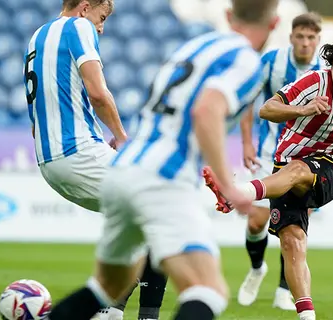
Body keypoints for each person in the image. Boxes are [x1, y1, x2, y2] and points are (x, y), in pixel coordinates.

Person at [46, 0, 280, 319]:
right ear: (274, 24)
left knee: (106, 286)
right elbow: (206, 111)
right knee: (207, 289)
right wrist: (231, 186)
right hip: (163, 178)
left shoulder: (193, 47)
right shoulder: (246, 60)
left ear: (228, 15)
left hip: (123, 168)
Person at [204, 37, 333, 320]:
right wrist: (302, 110)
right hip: (286, 164)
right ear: (331, 69)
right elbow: (266, 109)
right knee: (292, 242)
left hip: (330, 169)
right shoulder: (314, 82)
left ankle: (236, 192)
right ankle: (307, 316)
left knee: (298, 170)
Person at [23, 1, 167, 319]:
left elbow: (38, 115)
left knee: (138, 220)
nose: (101, 27)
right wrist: (122, 138)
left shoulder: (37, 37)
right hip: (78, 151)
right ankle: (127, 314)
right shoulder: (79, 27)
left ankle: (110, 311)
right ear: (86, 7)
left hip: (49, 162)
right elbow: (98, 93)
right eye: (102, 18)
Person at [237, 12, 324, 310]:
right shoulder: (271, 61)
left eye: (311, 37)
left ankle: (283, 290)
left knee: (296, 226)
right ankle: (257, 267)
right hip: (268, 154)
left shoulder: (326, 71)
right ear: (291, 37)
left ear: (318, 40)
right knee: (255, 221)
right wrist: (247, 141)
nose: (305, 42)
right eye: (300, 36)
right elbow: (249, 101)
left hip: (306, 159)